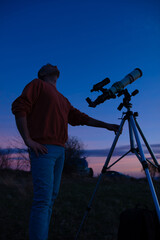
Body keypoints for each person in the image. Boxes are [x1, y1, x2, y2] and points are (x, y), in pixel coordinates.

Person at [11, 63, 119, 240]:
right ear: (43, 73)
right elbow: (20, 107)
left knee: (51, 198)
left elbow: (80, 117)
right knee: (43, 200)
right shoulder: (37, 85)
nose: (53, 65)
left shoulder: (62, 99)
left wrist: (106, 126)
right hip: (43, 150)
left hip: (61, 151)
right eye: (48, 65)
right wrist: (28, 140)